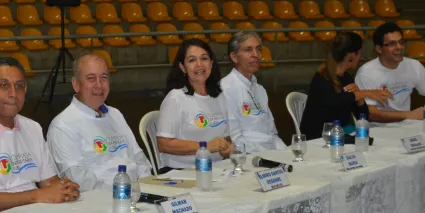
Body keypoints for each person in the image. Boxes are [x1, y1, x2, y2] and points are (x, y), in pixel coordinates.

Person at [0, 57, 80, 213]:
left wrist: (65, 188)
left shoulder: (33, 128)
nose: (13, 93)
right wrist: (38, 195)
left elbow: (49, 181)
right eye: (4, 85)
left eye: (19, 86)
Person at [47, 53, 150, 190]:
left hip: (137, 192)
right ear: (76, 84)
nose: (99, 85)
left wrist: (145, 185)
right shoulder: (63, 125)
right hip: (100, 198)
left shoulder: (115, 114)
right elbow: (78, 180)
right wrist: (122, 191)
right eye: (91, 78)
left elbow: (139, 158)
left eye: (104, 77)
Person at [156, 39, 233, 170]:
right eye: (192, 60)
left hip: (218, 168)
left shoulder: (220, 97)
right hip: (183, 171)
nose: (199, 64)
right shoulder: (175, 98)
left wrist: (227, 147)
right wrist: (205, 146)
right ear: (182, 67)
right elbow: (164, 144)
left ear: (211, 63)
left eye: (204, 58)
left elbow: (226, 137)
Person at [300, 32, 393, 139]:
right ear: (352, 55)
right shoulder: (321, 77)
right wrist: (364, 93)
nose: (360, 58)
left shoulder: (346, 78)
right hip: (318, 136)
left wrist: (360, 100)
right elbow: (333, 100)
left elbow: (363, 117)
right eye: (359, 53)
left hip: (339, 133)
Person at [355, 22, 425, 123]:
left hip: (407, 125)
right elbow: (371, 113)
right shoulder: (366, 73)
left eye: (401, 42)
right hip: (378, 127)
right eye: (392, 44)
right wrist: (409, 115)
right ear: (379, 49)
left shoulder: (414, 65)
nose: (399, 47)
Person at [220, 31, 286, 153]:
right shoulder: (225, 88)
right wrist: (268, 153)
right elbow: (235, 139)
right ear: (234, 57)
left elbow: (272, 134)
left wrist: (285, 152)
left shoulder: (260, 89)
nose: (256, 54)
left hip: (269, 153)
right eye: (248, 50)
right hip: (247, 156)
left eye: (258, 49)